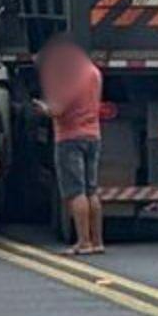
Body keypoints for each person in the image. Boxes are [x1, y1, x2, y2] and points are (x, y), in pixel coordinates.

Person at [36, 34, 104, 256]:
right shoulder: (94, 73)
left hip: (70, 137)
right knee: (92, 190)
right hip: (93, 135)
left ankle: (83, 241)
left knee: (76, 191)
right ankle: (97, 241)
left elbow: (58, 110)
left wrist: (43, 108)